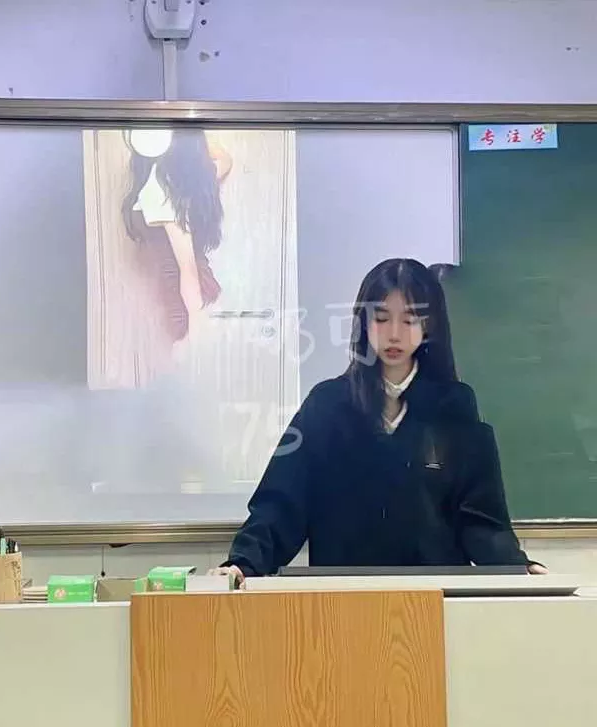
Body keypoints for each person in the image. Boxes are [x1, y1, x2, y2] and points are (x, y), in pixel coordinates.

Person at [214, 258, 546, 585]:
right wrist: (244, 562)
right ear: (364, 322)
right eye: (382, 318)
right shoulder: (327, 405)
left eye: (409, 319)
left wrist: (517, 566)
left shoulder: (454, 405)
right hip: (344, 598)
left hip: (434, 598)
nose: (394, 334)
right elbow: (282, 503)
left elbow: (480, 519)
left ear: (429, 326)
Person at [122, 128, 232, 352]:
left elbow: (187, 268)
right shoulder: (181, 182)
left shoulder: (164, 188)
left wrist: (195, 331)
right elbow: (225, 160)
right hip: (183, 301)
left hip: (184, 306)